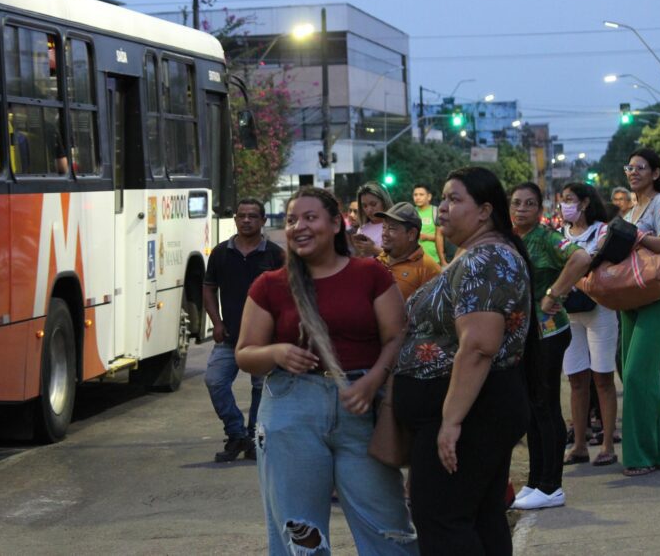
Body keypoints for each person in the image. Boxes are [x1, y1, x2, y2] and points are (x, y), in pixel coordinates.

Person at [236, 186, 417, 555]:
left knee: (390, 533)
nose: (298, 226)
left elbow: (397, 336)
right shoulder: (270, 285)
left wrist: (373, 379)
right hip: (290, 411)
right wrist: (277, 351)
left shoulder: (370, 274)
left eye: (309, 217)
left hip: (361, 410)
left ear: (336, 223)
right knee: (301, 536)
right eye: (290, 220)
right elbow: (244, 353)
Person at [393, 167, 538, 554]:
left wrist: (451, 421)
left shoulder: (484, 259)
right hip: (480, 408)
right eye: (443, 198)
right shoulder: (479, 254)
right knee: (479, 515)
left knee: (442, 520)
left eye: (455, 199)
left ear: (484, 211)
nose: (443, 207)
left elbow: (478, 346)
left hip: (472, 412)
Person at [509, 182, 591, 509]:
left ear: (540, 209)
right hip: (523, 335)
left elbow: (581, 257)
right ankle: (534, 482)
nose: (522, 209)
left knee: (545, 406)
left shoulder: (546, 238)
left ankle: (552, 484)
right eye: (516, 203)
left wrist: (554, 294)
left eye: (529, 204)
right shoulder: (509, 237)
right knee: (530, 408)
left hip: (549, 333)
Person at [203, 198, 285, 462]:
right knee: (215, 381)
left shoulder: (274, 254)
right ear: (235, 220)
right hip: (229, 337)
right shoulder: (220, 253)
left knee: (261, 388)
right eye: (241, 216)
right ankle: (235, 433)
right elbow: (208, 287)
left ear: (262, 220)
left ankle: (253, 438)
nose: (246, 220)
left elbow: (289, 293)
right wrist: (216, 322)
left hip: (264, 340)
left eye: (252, 216)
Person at [618, 148, 660, 476]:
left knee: (636, 376)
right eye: (630, 167)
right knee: (646, 377)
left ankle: (640, 456)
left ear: (655, 173)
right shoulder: (630, 211)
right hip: (631, 297)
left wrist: (638, 237)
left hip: (657, 296)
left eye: (641, 167)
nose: (633, 172)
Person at [558, 182, 619, 469]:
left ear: (584, 203)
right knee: (576, 379)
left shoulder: (602, 231)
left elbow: (593, 263)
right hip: (570, 315)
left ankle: (607, 444)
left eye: (569, 200)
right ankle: (579, 445)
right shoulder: (559, 235)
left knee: (603, 378)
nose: (564, 205)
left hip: (600, 311)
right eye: (562, 201)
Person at [375, 202, 442, 301]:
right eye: (384, 227)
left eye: (392, 228)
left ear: (411, 234)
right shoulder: (378, 261)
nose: (384, 233)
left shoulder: (429, 270)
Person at [350, 181, 393, 257]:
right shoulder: (362, 229)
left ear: (384, 201)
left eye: (373, 204)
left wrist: (374, 249)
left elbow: (400, 259)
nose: (369, 210)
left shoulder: (396, 227)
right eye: (365, 206)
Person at [412, 184, 445, 266]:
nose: (418, 197)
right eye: (415, 195)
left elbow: (444, 236)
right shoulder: (411, 213)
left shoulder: (436, 212)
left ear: (429, 197)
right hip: (413, 261)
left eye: (421, 194)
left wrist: (427, 237)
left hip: (434, 260)